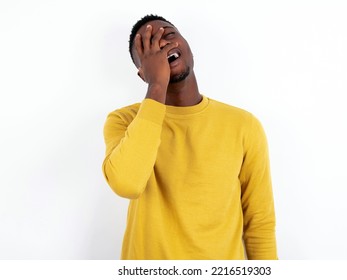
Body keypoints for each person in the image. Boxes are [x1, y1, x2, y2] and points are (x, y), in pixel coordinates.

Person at [102, 14, 278, 260]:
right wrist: (156, 86)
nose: (162, 45)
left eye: (169, 34)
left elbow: (259, 222)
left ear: (189, 47)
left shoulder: (243, 125)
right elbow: (127, 183)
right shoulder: (123, 121)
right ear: (143, 73)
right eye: (149, 47)